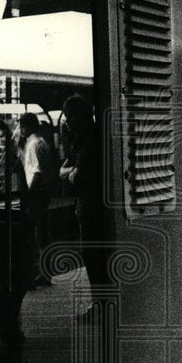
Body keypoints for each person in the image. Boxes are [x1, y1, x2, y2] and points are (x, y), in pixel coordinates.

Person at [59, 95, 106, 300]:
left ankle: (100, 301)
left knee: (94, 255)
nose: (67, 122)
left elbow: (73, 175)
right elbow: (64, 171)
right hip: (86, 206)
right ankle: (100, 301)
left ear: (80, 116)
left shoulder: (89, 141)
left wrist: (70, 173)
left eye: (70, 117)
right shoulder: (82, 139)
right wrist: (71, 172)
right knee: (93, 255)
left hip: (91, 207)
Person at [18, 112, 55, 287]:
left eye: (22, 126)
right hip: (44, 193)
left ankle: (33, 274)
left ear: (28, 126)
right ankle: (45, 272)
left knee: (31, 235)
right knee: (42, 234)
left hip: (36, 194)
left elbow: (37, 173)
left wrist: (30, 197)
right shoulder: (42, 143)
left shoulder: (32, 145)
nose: (21, 130)